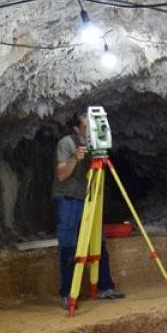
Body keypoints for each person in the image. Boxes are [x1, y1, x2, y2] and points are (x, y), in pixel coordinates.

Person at [53, 110, 124, 308]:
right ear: (77, 128)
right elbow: (61, 175)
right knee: (69, 244)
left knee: (97, 240)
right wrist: (75, 158)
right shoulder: (66, 143)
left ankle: (104, 286)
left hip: (89, 198)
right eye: (87, 126)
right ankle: (68, 292)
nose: (92, 130)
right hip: (69, 199)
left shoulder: (95, 147)